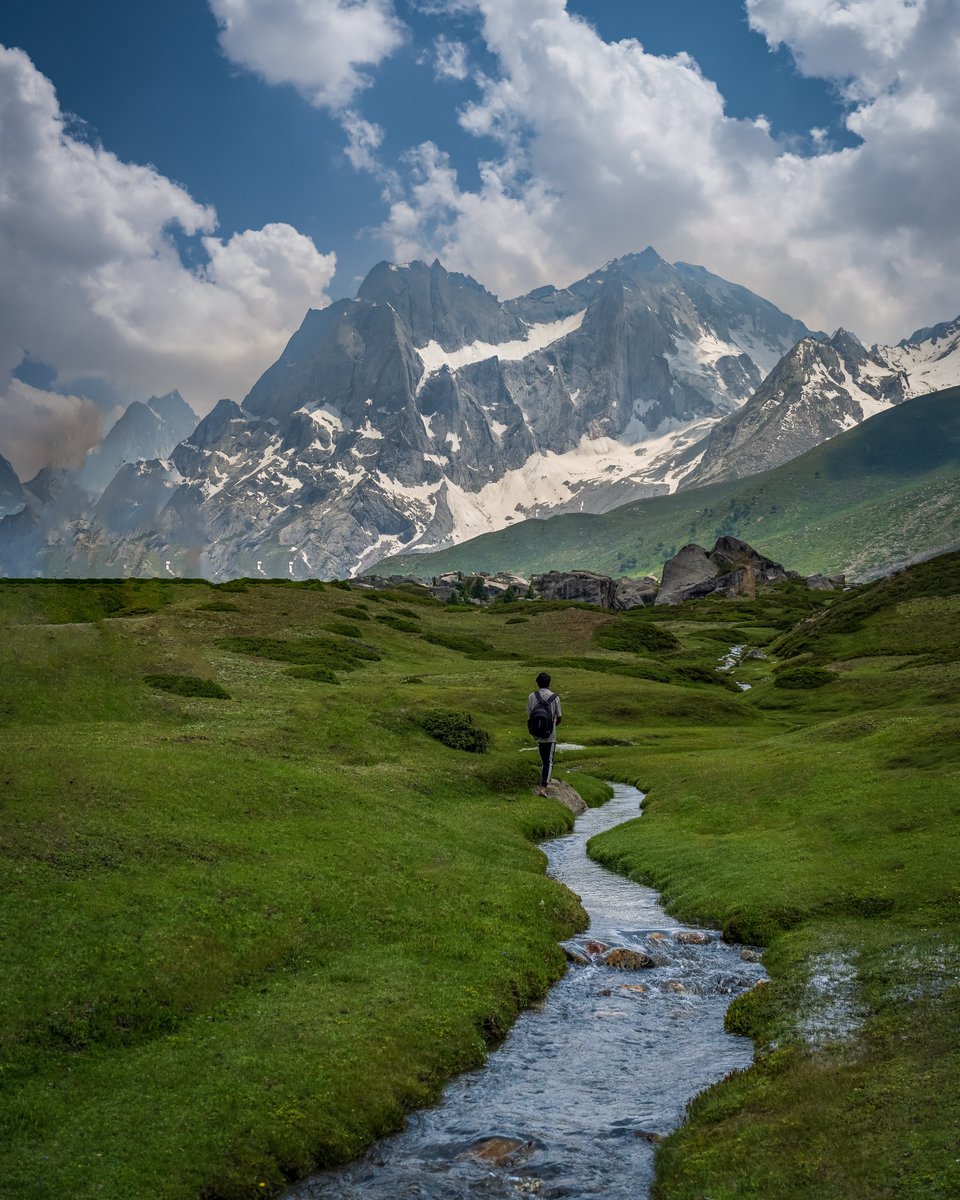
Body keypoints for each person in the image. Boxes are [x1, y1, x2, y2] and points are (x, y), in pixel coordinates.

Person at [528, 671, 562, 796]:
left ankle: (543, 780)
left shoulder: (532, 696)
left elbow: (530, 715)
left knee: (543, 758)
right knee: (549, 761)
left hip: (537, 733)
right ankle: (543, 788)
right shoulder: (555, 697)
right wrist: (552, 726)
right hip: (550, 734)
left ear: (538, 683)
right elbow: (559, 717)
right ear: (549, 683)